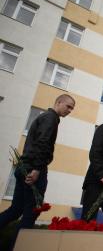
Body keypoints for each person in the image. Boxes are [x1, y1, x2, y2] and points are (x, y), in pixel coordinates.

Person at [0, 94, 75, 249]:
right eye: (68, 106)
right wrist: (37, 169)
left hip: (24, 167)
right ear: (58, 102)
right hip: (33, 169)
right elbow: (43, 143)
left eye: (72, 108)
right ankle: (17, 247)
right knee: (31, 212)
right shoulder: (51, 118)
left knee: (15, 210)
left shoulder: (45, 117)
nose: (70, 110)